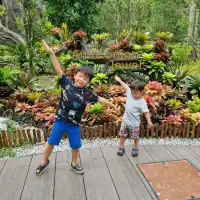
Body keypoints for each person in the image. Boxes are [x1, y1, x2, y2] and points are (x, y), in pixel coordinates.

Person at [36, 40, 120, 175]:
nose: (82, 79)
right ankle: (44, 161)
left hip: (74, 124)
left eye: (85, 79)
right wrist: (52, 53)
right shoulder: (66, 83)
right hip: (60, 121)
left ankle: (74, 163)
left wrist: (113, 106)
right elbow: (58, 69)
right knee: (51, 141)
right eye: (80, 76)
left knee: (75, 145)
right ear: (75, 75)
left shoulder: (87, 93)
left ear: (88, 82)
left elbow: (100, 99)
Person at [114, 75, 153, 157]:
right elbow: (125, 86)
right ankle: (121, 147)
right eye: (132, 92)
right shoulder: (130, 93)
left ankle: (135, 148)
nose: (133, 94)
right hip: (125, 121)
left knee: (135, 137)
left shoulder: (142, 102)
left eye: (135, 93)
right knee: (122, 135)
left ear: (142, 92)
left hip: (134, 124)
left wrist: (149, 122)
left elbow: (146, 112)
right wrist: (119, 80)